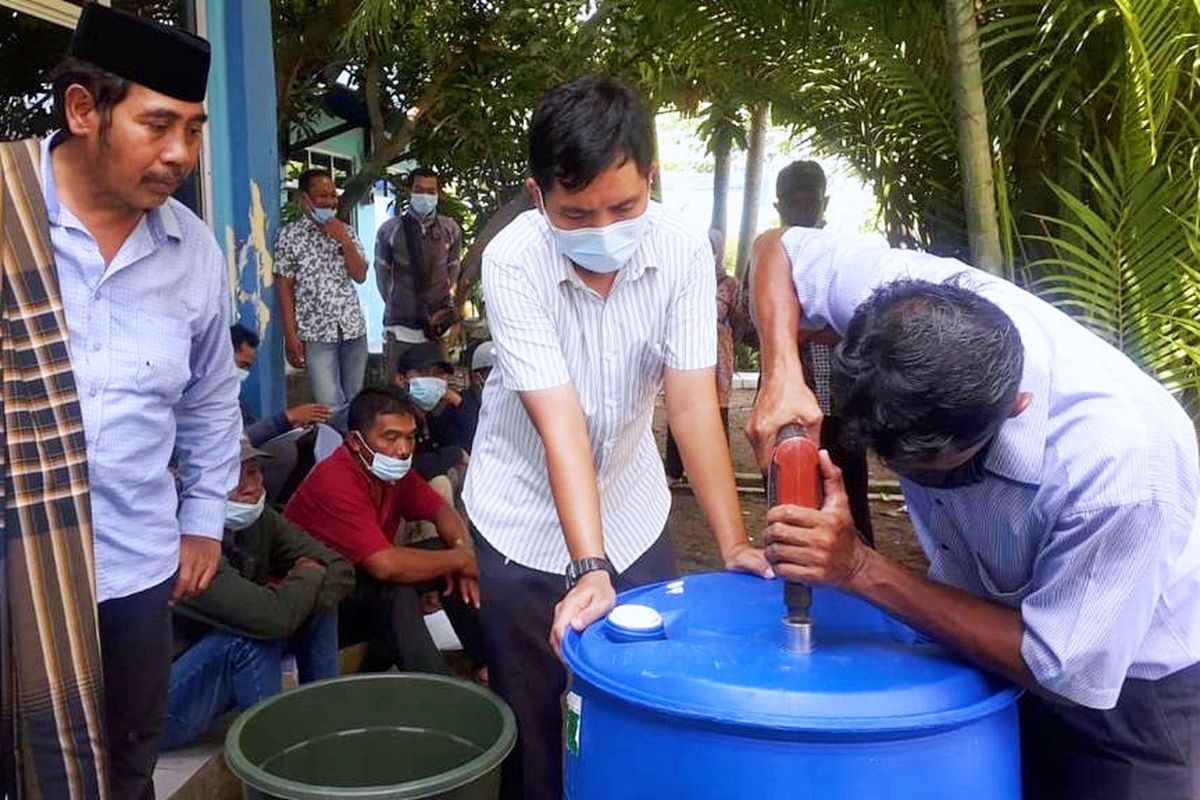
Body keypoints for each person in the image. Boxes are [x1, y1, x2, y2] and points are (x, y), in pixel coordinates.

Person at [747, 227, 1200, 800]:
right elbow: (778, 249)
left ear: (1015, 407)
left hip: (1124, 697)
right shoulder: (908, 308)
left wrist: (859, 568)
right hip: (973, 641)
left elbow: (1062, 671)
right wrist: (781, 372)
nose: (917, 482)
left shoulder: (1119, 471)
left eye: (936, 468)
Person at [462, 76, 771, 800]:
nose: (604, 230)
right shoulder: (511, 261)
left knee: (641, 705)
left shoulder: (683, 249)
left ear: (650, 179)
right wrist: (587, 567)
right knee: (537, 725)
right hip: (521, 525)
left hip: (634, 518)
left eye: (624, 207)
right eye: (577, 213)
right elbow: (560, 422)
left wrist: (733, 543)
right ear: (538, 196)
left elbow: (691, 406)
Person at [0, 6, 243, 795]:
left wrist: (202, 519)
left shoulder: (192, 250)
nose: (181, 154)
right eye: (157, 124)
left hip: (135, 570)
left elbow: (211, 397)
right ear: (83, 110)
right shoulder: (7, 214)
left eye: (194, 130)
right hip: (12, 564)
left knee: (128, 766)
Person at [163, 436, 354, 749]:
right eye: (231, 476)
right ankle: (273, 756)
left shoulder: (258, 518)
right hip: (165, 710)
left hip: (214, 676)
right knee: (251, 637)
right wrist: (306, 576)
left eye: (252, 471)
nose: (250, 486)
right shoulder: (182, 546)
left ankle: (326, 723)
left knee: (315, 604)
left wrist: (299, 590)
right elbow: (270, 619)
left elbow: (339, 567)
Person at [285, 388, 483, 676]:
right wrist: (462, 560)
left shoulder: (390, 472)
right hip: (315, 607)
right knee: (394, 590)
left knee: (443, 553)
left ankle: (491, 663)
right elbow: (384, 564)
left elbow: (441, 511)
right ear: (355, 441)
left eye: (410, 437)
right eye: (391, 437)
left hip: (355, 585)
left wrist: (460, 549)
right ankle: (438, 688)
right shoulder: (335, 480)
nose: (403, 449)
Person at [758, 160, 873, 544]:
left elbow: (864, 323)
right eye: (794, 203)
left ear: (824, 203)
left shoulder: (842, 257)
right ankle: (792, 561)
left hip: (842, 408)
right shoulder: (765, 261)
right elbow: (749, 325)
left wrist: (801, 330)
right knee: (792, 492)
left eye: (810, 202)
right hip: (790, 408)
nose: (803, 211)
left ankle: (858, 557)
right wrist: (804, 332)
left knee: (851, 493)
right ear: (779, 206)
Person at [275, 168, 369, 429]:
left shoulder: (347, 232)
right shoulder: (290, 236)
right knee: (329, 405)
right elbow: (284, 287)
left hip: (352, 328)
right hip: (316, 334)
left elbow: (360, 275)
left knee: (356, 401)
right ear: (305, 199)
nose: (329, 202)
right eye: (322, 196)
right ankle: (337, 450)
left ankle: (354, 448)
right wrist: (290, 335)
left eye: (332, 195)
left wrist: (343, 241)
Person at [664, 227, 740, 483]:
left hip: (719, 357)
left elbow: (739, 320)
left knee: (717, 410)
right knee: (681, 402)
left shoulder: (730, 285)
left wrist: (724, 337)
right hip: (685, 349)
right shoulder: (682, 278)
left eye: (712, 248)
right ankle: (674, 470)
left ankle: (717, 474)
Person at [375, 167, 464, 380]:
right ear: (410, 191)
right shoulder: (389, 230)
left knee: (437, 387)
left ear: (438, 193)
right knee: (399, 387)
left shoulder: (450, 229)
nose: (425, 195)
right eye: (419, 190)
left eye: (430, 191)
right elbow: (382, 276)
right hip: (400, 325)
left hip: (437, 327)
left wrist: (445, 309)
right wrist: (399, 302)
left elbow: (453, 270)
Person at [231, 323, 334, 503]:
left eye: (248, 368)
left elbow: (250, 426)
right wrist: (286, 418)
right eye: (242, 365)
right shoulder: (201, 393)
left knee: (307, 444)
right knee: (284, 452)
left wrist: (291, 428)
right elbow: (237, 438)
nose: (244, 373)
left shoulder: (234, 393)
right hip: (227, 456)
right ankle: (262, 507)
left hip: (244, 452)